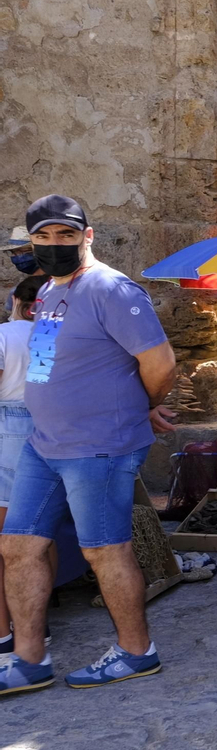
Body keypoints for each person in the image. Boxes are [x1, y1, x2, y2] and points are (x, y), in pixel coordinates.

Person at [0, 195, 177, 697]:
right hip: (44, 443)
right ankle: (30, 660)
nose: (55, 244)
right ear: (31, 241)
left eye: (66, 235)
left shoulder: (111, 289)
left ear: (87, 235)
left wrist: (139, 405)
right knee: (18, 546)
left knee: (105, 551)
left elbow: (159, 364)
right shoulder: (51, 292)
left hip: (99, 446)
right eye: (44, 236)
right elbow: (43, 362)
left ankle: (136, 652)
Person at [0, 275, 49, 653]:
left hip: (8, 431)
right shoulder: (48, 337)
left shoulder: (4, 335)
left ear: (15, 299)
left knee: (6, 542)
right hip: (46, 428)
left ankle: (4, 634)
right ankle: (37, 625)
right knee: (40, 534)